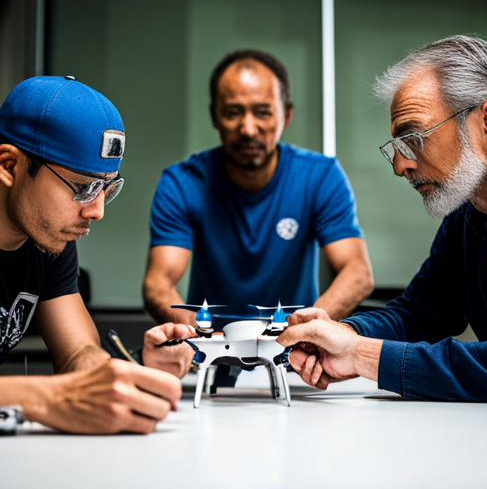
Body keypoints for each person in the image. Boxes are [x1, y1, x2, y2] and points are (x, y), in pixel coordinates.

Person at [277, 35, 487, 402]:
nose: (401, 165)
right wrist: (341, 333)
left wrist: (361, 354)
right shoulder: (465, 218)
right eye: (397, 149)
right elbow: (420, 314)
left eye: (415, 138)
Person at [0, 76, 196, 434]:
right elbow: (62, 392)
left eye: (107, 188)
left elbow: (78, 354)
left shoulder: (48, 241)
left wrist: (125, 371)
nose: (97, 211)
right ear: (10, 166)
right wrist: (48, 398)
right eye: (83, 187)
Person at [143, 49, 374, 330]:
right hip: (210, 353)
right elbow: (159, 285)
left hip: (294, 352)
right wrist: (208, 338)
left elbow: (358, 273)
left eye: (263, 112)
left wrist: (303, 330)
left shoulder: (320, 177)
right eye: (233, 113)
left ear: (286, 115)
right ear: (215, 116)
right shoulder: (182, 183)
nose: (248, 129)